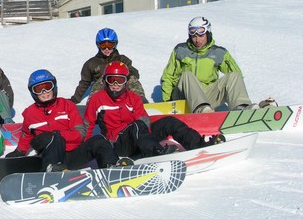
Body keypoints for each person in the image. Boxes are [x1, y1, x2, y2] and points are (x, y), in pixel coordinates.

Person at [86, 62, 224, 160]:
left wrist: (148, 135)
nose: (115, 85)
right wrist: (87, 150)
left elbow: (143, 120)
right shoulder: (97, 99)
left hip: (139, 138)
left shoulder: (133, 98)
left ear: (126, 82)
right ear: (105, 81)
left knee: (169, 121)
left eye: (119, 80)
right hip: (118, 145)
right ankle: (157, 153)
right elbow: (88, 125)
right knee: (137, 126)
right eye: (111, 80)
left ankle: (198, 144)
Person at [5, 69, 122, 172]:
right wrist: (19, 151)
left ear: (54, 87)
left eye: (47, 87)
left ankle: (112, 167)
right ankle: (51, 168)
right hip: (48, 155)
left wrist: (58, 135)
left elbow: (80, 134)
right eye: (39, 89)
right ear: (33, 92)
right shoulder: (30, 113)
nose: (44, 92)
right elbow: (26, 135)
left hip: (72, 154)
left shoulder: (67, 106)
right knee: (51, 138)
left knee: (99, 140)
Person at [160, 16, 275, 113]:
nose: (197, 40)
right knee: (186, 75)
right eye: (194, 36)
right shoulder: (181, 50)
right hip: (184, 98)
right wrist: (167, 103)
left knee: (234, 75)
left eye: (201, 36)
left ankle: (241, 107)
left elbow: (237, 78)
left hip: (207, 96)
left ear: (208, 34)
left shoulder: (218, 53)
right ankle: (201, 109)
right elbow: (168, 77)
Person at [70, 28, 149, 104]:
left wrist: (123, 73)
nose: (106, 49)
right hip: (104, 92)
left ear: (115, 45)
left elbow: (135, 75)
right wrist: (74, 99)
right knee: (103, 78)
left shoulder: (122, 59)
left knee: (131, 78)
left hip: (121, 89)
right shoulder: (91, 63)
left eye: (110, 45)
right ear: (98, 45)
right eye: (103, 45)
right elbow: (84, 83)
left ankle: (141, 102)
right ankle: (93, 104)